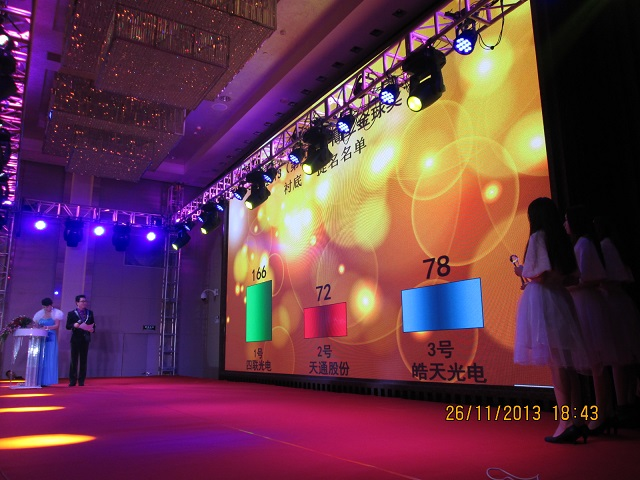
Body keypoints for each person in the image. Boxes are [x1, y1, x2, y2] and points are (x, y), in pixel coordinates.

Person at [513, 197, 590, 443]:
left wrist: (521, 270)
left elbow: (538, 274)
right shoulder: (563, 240)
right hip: (561, 298)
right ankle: (578, 420)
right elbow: (572, 277)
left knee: (557, 366)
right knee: (567, 364)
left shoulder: (538, 237)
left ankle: (565, 423)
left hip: (543, 301)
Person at [565, 205, 619, 435]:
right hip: (583, 303)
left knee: (596, 362)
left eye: (567, 220)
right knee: (595, 361)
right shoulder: (583, 243)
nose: (564, 224)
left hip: (586, 304)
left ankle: (602, 412)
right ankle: (603, 411)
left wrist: (566, 286)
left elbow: (590, 278)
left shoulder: (584, 244)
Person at [66, 294, 96, 387]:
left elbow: (93, 324)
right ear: (77, 303)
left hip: (85, 338)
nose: (84, 303)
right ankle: (72, 380)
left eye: (85, 301)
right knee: (74, 360)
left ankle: (81, 380)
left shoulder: (90, 313)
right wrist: (74, 325)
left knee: (83, 360)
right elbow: (67, 326)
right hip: (75, 338)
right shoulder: (72, 313)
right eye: (82, 301)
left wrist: (92, 329)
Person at [33, 297, 63, 386]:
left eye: (47, 306)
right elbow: (35, 325)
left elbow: (56, 326)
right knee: (41, 357)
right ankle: (39, 380)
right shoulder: (39, 314)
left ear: (51, 305)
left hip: (51, 337)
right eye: (44, 307)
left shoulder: (56, 313)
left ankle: (49, 380)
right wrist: (37, 328)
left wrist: (47, 327)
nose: (46, 308)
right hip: (41, 337)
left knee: (50, 356)